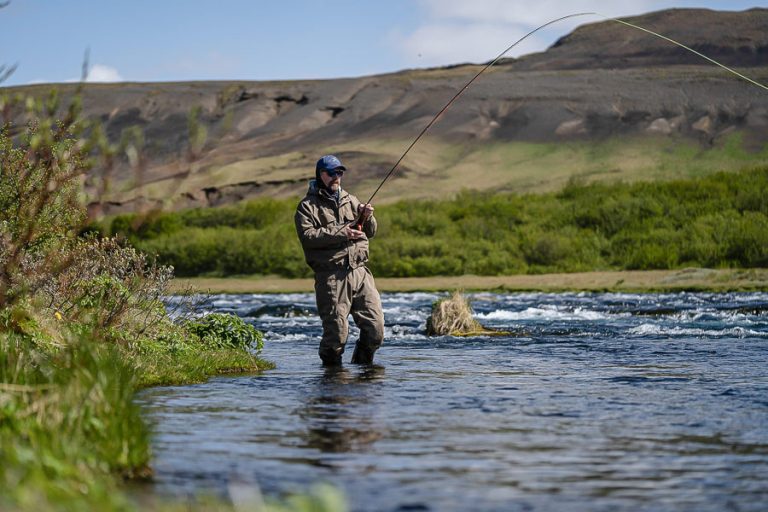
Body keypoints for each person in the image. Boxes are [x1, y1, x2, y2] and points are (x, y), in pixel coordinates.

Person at [294, 155, 385, 366]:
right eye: (332, 173)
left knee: (375, 329)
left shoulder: (351, 200)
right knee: (336, 336)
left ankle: (363, 373)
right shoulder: (307, 206)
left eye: (340, 173)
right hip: (331, 275)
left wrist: (367, 216)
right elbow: (308, 237)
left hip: (360, 272)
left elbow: (370, 232)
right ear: (321, 175)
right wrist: (343, 232)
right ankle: (331, 379)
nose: (337, 177)